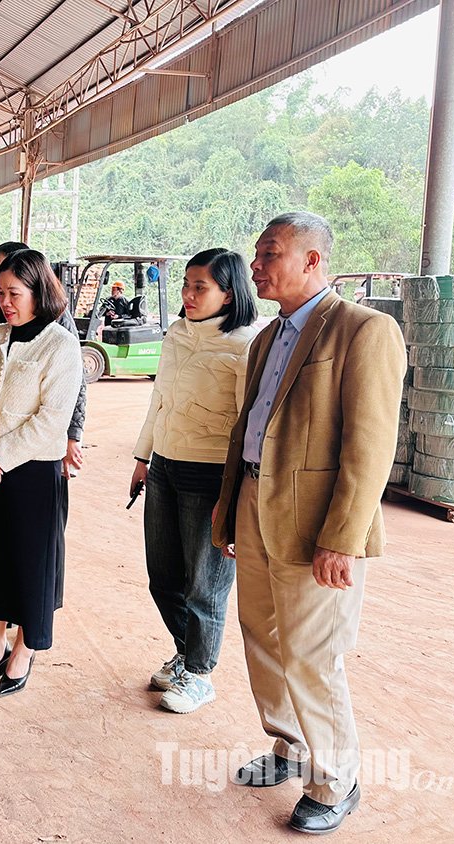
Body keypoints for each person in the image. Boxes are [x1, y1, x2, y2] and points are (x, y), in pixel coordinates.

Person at [211, 212, 405, 835]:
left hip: (317, 524)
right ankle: (288, 746)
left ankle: (335, 779)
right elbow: (249, 428)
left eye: (269, 253)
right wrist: (227, 505)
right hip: (253, 505)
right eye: (257, 254)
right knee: (260, 635)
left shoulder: (363, 331)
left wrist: (343, 539)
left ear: (313, 261)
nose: (257, 266)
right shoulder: (268, 337)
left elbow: (369, 446)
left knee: (313, 655)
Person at [128, 248, 258, 714]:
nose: (188, 294)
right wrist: (143, 458)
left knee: (206, 584)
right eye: (186, 284)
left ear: (229, 292)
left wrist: (237, 492)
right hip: (165, 465)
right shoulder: (176, 334)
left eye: (199, 287)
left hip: (211, 475)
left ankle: (200, 674)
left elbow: (249, 427)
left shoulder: (247, 343)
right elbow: (158, 400)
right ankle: (187, 651)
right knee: (162, 577)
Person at [0, 249, 82, 696]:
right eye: (0, 291)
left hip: (30, 474)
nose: (5, 301)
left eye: (15, 293)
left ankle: (22, 650)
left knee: (29, 564)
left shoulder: (60, 344)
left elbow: (52, 418)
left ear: (38, 291)